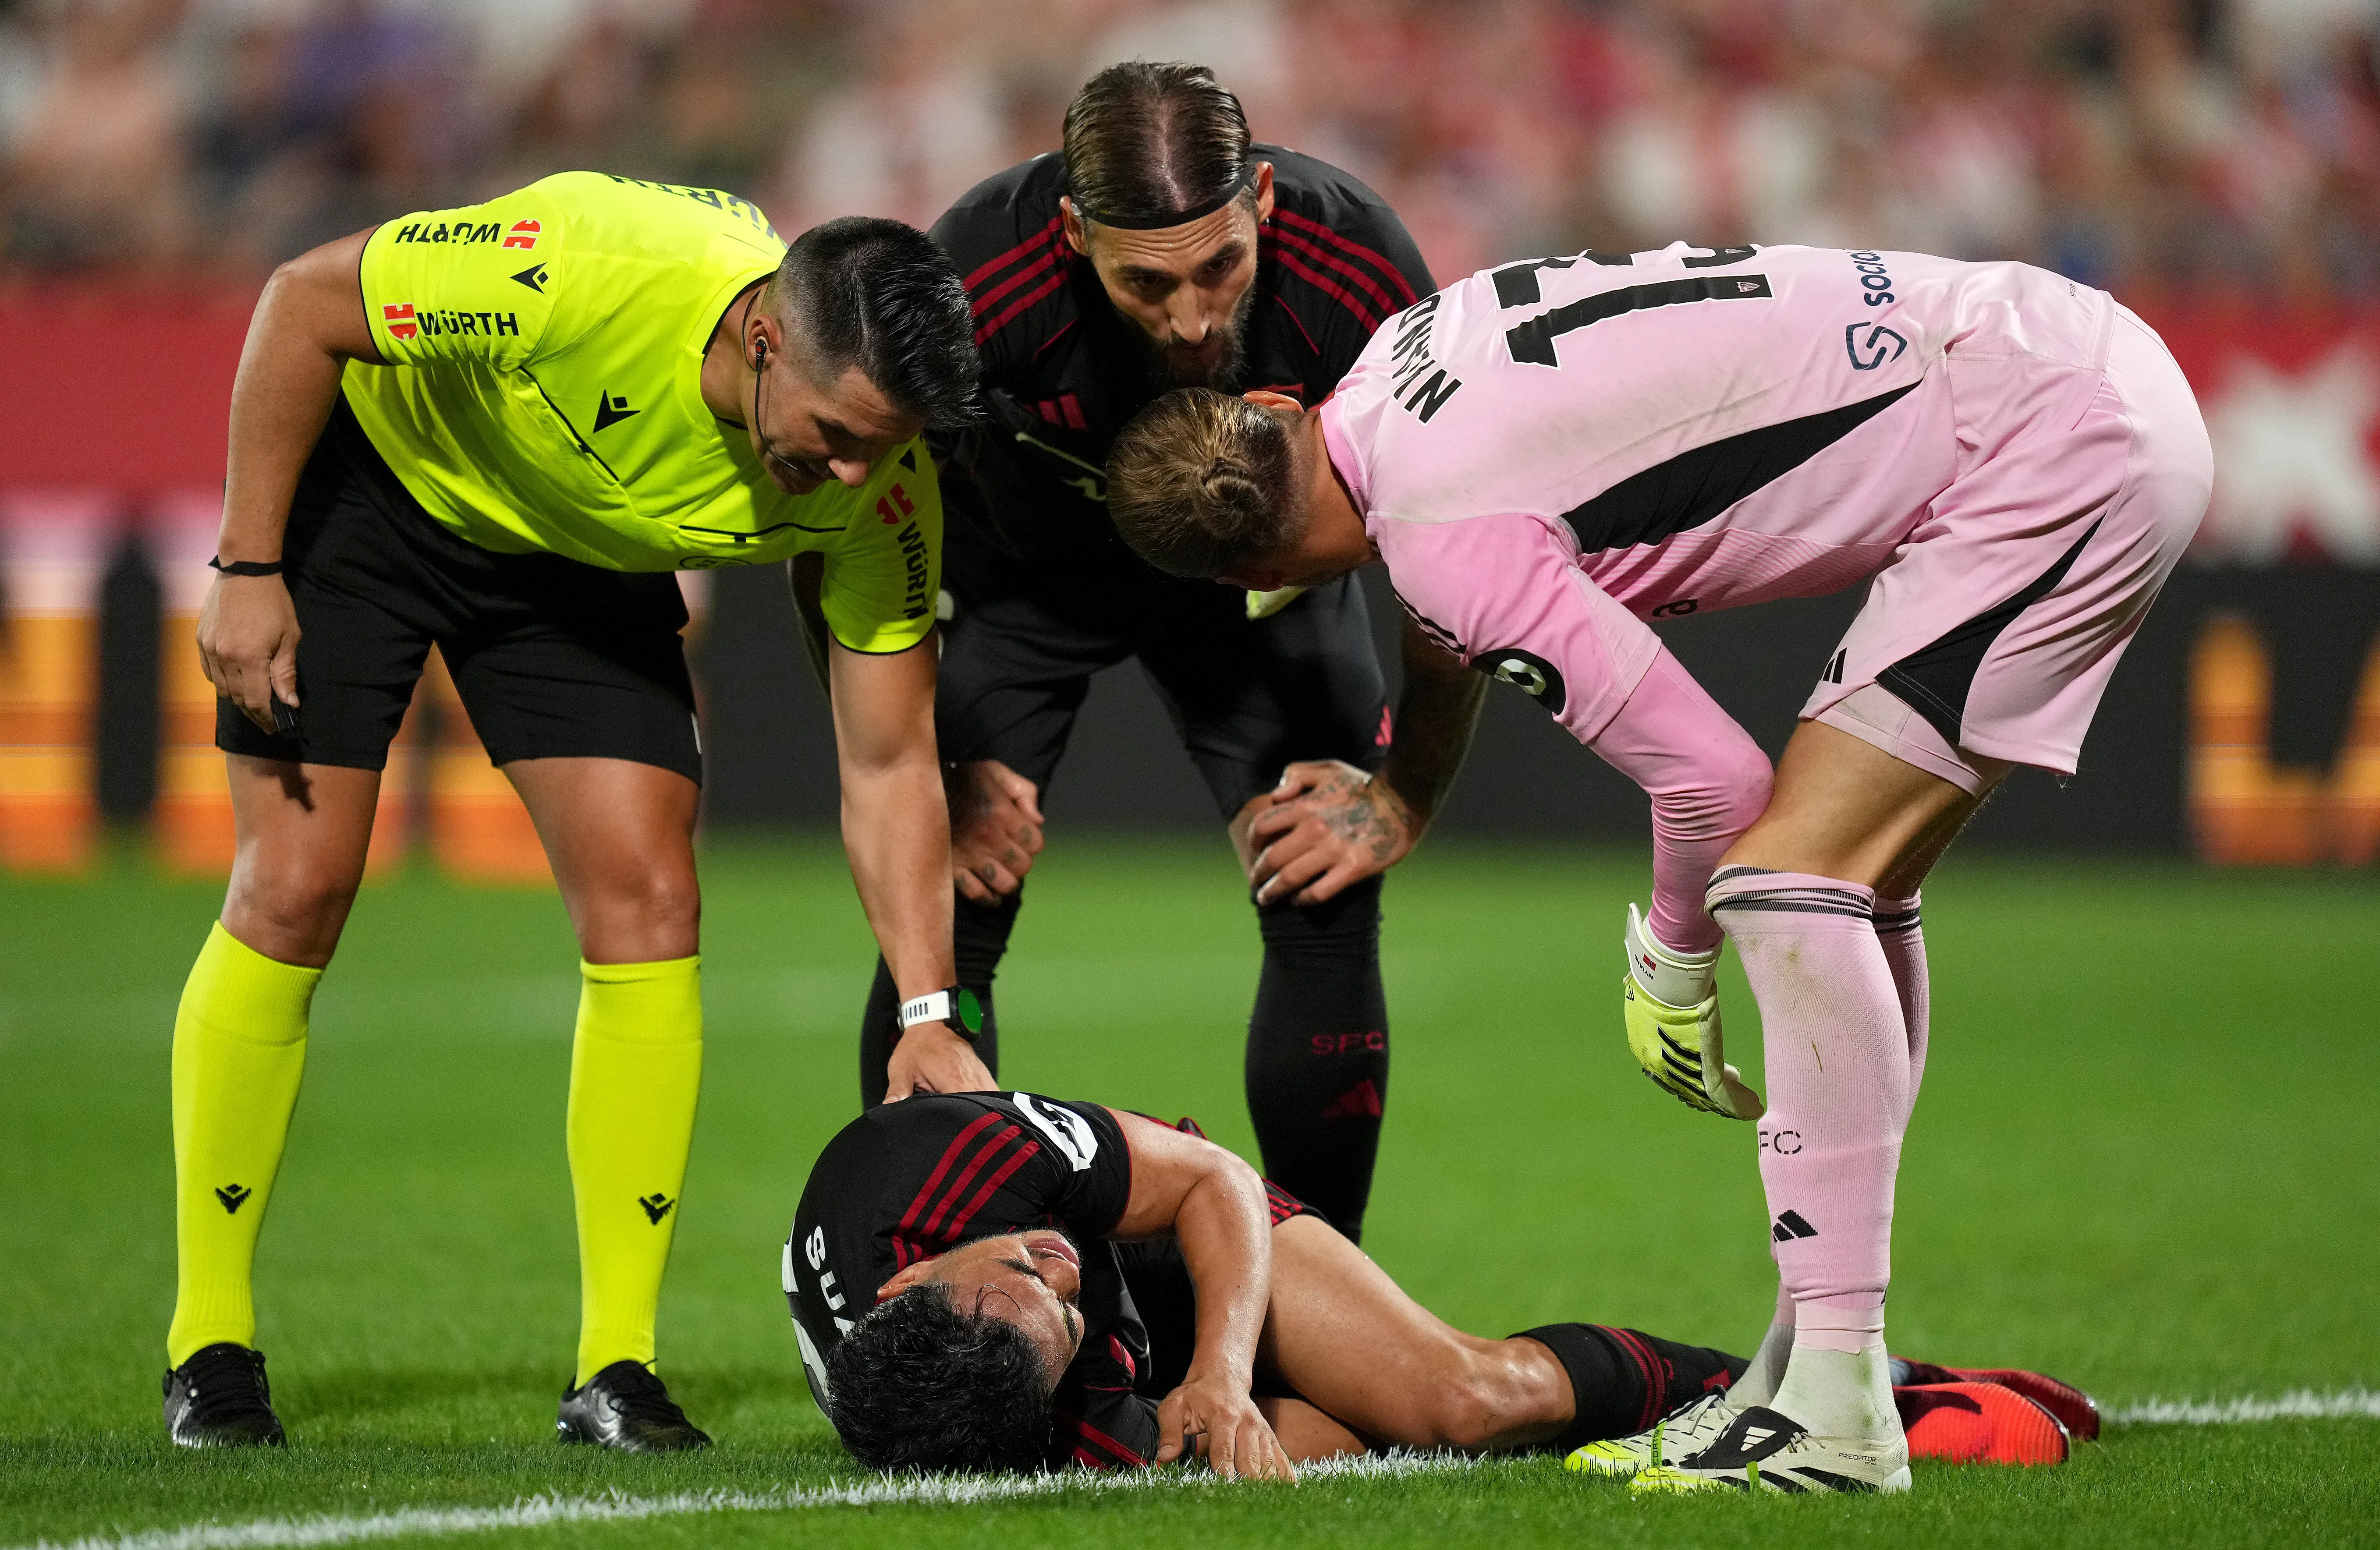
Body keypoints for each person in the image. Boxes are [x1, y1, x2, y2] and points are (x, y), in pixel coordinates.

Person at [1103, 241, 2206, 1492]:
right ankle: (1808, 1373)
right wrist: (1406, 785)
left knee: (1782, 881)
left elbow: (1712, 784)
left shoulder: (1444, 543)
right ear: (1272, 407)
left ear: (1255, 579)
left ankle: (1836, 1413)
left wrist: (1673, 962)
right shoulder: (1399, 359)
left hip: (2052, 444)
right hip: (2054, 348)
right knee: (1846, 884)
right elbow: (1442, 600)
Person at [164, 171, 993, 1453]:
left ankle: (617, 1368)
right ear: (760, 338)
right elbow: (303, 304)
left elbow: (889, 763)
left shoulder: (882, 491)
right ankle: (208, 1348)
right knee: (297, 886)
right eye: (834, 434)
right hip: (379, 500)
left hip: (577, 566)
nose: (849, 473)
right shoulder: (586, 264)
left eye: (879, 447)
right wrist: (247, 566)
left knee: (654, 901)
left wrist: (929, 1010)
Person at [854, 63, 1484, 1247]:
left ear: (1261, 201)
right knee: (947, 920)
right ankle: (939, 1290)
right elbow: (858, 539)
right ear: (1071, 233)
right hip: (1019, 588)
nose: (1193, 317)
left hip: (1258, 596)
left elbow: (1452, 550)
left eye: (1220, 267)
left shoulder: (1364, 275)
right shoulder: (971, 286)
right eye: (1145, 282)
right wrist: (931, 772)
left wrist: (1403, 794)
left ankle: (1322, 1303)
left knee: (1325, 886)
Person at [785, 1092, 2097, 1476]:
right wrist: (1232, 1419)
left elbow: (1208, 1185)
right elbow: (1082, 1361)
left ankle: (1874, 1383)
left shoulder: (936, 1166)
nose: (1051, 1270)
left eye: (1021, 1264)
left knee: (1466, 1397)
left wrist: (1221, 1373)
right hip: (1114, 1349)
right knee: (1370, 1432)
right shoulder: (991, 1408)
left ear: (912, 1285)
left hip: (1186, 1219)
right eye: (1056, 1313)